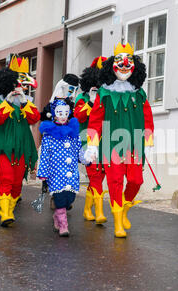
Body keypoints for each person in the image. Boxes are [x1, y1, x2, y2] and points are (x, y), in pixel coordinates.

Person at [85, 43, 154, 238]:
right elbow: (95, 121)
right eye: (120, 63)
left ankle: (124, 209)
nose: (124, 67)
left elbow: (148, 119)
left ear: (135, 67)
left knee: (135, 180)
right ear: (111, 67)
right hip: (111, 145)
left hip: (134, 146)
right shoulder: (104, 94)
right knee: (114, 181)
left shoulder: (139, 94)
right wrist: (92, 145)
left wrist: (148, 142)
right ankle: (117, 222)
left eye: (128, 63)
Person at [0, 55, 40, 227]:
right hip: (3, 148)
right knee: (7, 179)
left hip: (22, 148)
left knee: (17, 183)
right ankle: (5, 213)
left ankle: (10, 206)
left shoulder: (26, 102)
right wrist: (8, 103)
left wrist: (24, 103)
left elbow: (34, 118)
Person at [37, 98, 81, 236]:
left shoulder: (73, 133)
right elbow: (44, 155)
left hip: (72, 172)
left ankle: (58, 215)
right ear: (54, 114)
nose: (62, 116)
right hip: (56, 172)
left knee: (69, 198)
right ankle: (63, 226)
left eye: (65, 113)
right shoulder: (49, 135)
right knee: (60, 199)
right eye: (59, 113)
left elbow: (78, 151)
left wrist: (86, 158)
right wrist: (43, 172)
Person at [74, 56, 108, 224]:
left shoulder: (106, 98)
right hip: (87, 142)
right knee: (94, 175)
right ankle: (100, 212)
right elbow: (78, 116)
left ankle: (88, 209)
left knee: (99, 177)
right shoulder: (82, 98)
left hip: (105, 142)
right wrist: (91, 103)